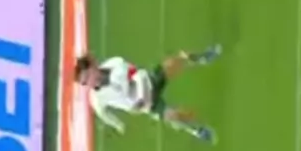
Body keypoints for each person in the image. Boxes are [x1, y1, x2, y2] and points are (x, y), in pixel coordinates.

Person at [74, 49, 221, 141]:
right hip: (148, 103)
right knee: (174, 116)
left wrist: (137, 84)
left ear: (93, 67)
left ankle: (200, 58)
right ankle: (196, 129)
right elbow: (104, 114)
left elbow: (133, 72)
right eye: (84, 82)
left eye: (87, 77)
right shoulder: (97, 98)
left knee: (174, 61)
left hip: (149, 81)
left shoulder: (115, 63)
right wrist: (119, 125)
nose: (89, 83)